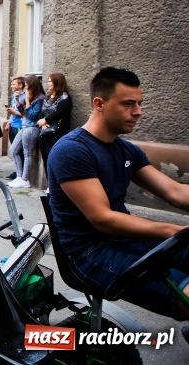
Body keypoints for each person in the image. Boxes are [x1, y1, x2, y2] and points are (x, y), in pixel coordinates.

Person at [48, 67, 189, 321]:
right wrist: (173, 231)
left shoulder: (126, 150)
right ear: (99, 104)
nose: (138, 112)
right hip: (90, 253)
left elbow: (175, 191)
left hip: (125, 238)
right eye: (128, 104)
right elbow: (103, 218)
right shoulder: (71, 150)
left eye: (139, 103)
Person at [8, 75, 45, 188]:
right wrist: (19, 102)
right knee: (13, 150)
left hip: (32, 128)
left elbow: (32, 116)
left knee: (27, 153)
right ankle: (19, 176)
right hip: (24, 126)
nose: (26, 89)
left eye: (27, 86)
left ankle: (25, 179)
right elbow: (23, 113)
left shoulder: (39, 98)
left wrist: (28, 102)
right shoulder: (31, 96)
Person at [37, 72, 73, 173]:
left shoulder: (65, 98)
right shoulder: (47, 97)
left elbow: (61, 113)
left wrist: (46, 120)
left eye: (50, 81)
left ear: (57, 83)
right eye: (48, 81)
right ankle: (49, 184)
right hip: (44, 132)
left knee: (52, 157)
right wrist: (43, 122)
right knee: (45, 158)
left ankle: (53, 185)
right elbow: (41, 111)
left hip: (57, 133)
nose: (48, 83)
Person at [3, 76, 26, 180]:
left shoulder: (25, 97)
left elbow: (25, 113)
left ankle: (20, 173)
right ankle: (17, 170)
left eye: (13, 84)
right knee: (14, 149)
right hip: (13, 125)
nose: (11, 86)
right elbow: (13, 111)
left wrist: (14, 112)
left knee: (18, 150)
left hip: (20, 126)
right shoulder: (13, 97)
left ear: (20, 85)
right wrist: (9, 122)